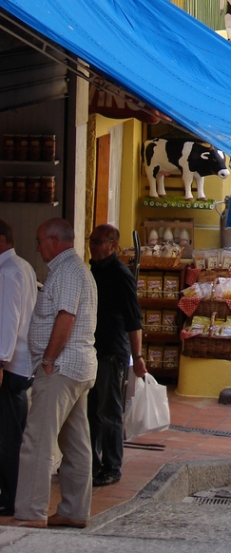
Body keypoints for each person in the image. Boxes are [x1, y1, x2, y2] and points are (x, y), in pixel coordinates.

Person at [11, 218, 98, 529]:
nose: (36, 247)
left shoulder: (68, 271)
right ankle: (74, 510)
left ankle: (31, 512)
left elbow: (66, 317)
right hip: (77, 367)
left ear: (53, 241)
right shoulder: (73, 270)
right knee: (75, 442)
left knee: (37, 440)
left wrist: (48, 358)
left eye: (38, 241)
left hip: (62, 368)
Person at [88, 223, 147, 488]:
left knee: (109, 412)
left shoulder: (120, 274)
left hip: (111, 352)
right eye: (92, 240)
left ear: (113, 245)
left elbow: (134, 319)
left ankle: (112, 466)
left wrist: (138, 356)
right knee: (91, 412)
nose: (94, 245)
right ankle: (90, 464)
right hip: (92, 350)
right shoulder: (94, 271)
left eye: (99, 241)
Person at [0, 220, 37, 517]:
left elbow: (8, 322)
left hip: (10, 367)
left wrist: (1, 361)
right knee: (11, 433)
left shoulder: (8, 273)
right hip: (20, 363)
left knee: (8, 437)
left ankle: (10, 497)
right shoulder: (24, 267)